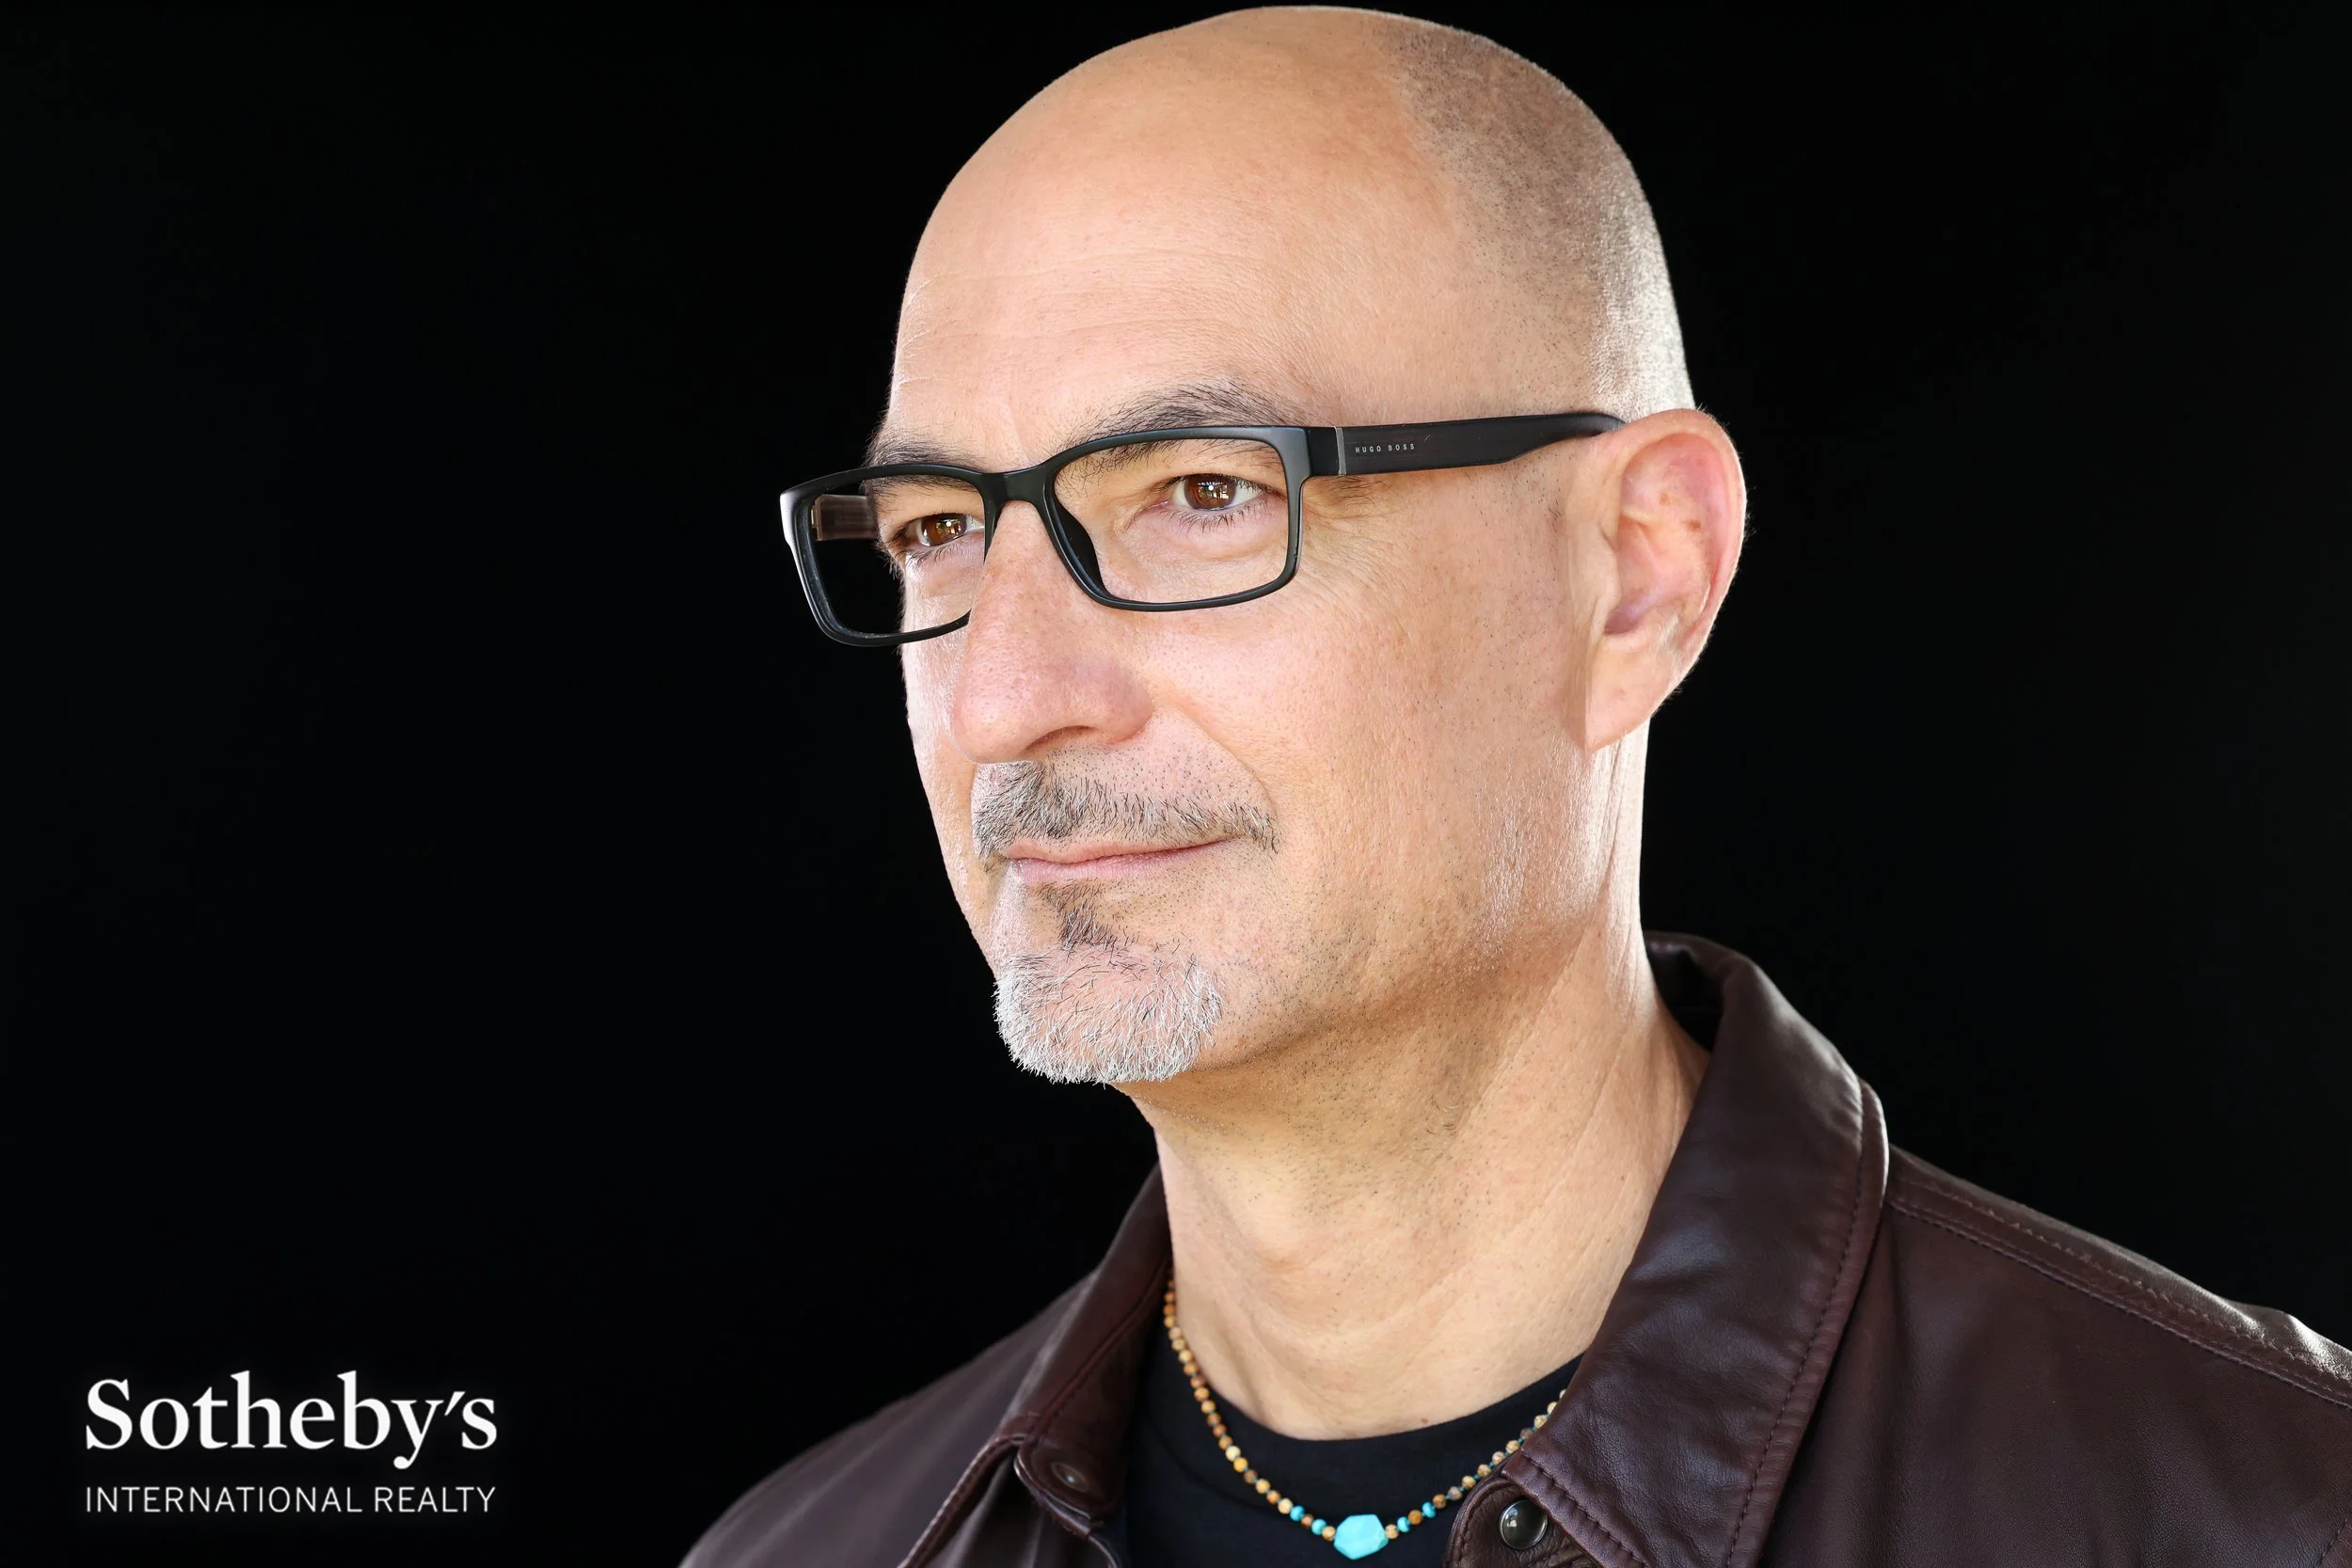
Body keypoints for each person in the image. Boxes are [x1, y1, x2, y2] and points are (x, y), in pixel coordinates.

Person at [689, 9, 2352, 1567]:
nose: (1005, 696)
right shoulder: (816, 1546)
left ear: (1639, 573)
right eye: (937, 532)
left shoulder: (2268, 1510)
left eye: (1200, 492)